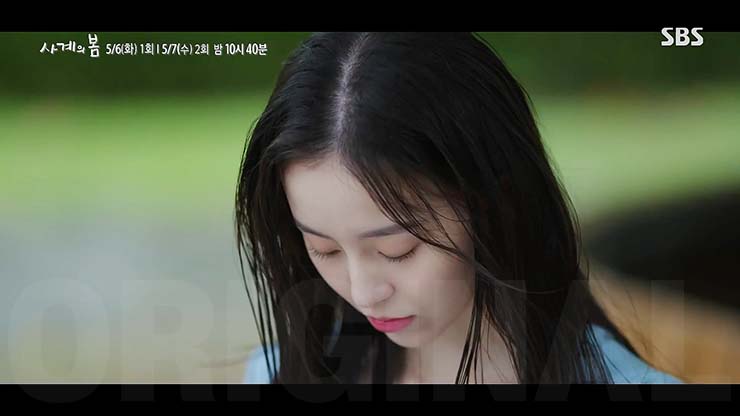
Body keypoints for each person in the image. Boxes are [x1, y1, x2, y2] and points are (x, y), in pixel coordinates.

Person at [235, 32, 684, 384]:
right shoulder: (277, 375)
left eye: (397, 250)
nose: (363, 292)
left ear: (496, 204)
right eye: (324, 249)